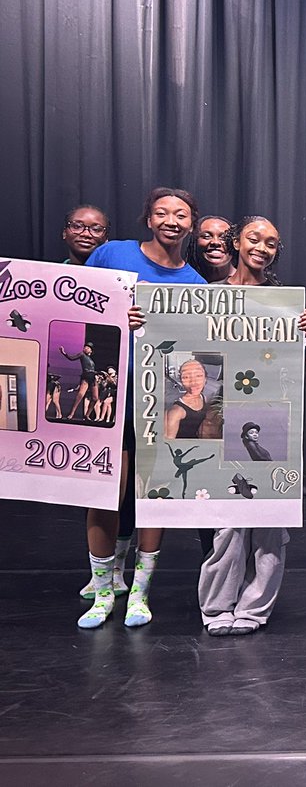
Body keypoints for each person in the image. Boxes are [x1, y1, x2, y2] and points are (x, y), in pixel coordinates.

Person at [79, 187, 207, 629]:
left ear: (191, 223)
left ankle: (139, 592)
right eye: (162, 213)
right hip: (110, 396)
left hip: (159, 402)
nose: (172, 220)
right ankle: (102, 589)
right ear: (148, 220)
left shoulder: (195, 284)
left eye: (181, 215)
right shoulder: (112, 254)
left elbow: (201, 349)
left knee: (155, 497)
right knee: (105, 494)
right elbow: (79, 309)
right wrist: (117, 315)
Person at [198, 215, 306, 637]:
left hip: (270, 417)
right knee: (227, 523)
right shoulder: (206, 297)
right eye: (254, 239)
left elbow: (288, 365)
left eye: (271, 243)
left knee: (270, 521)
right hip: (219, 419)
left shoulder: (285, 303)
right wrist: (144, 322)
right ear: (236, 243)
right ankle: (216, 608)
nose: (262, 247)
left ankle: (254, 609)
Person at [164, 359, 209, 439]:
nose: (193, 382)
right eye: (186, 377)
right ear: (181, 381)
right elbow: (168, 444)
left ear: (205, 379)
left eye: (198, 375)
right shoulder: (176, 412)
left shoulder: (203, 397)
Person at [188, 215, 234, 282]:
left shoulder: (247, 282)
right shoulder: (185, 279)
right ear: (195, 242)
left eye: (224, 237)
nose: (215, 242)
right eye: (207, 236)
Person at [60, 342, 99, 420]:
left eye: (88, 348)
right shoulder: (82, 355)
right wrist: (64, 353)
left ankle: (87, 415)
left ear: (91, 351)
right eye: (85, 347)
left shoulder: (91, 360)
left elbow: (92, 369)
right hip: (86, 377)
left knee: (95, 398)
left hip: (93, 378)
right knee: (80, 396)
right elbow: (72, 358)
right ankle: (71, 414)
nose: (86, 348)